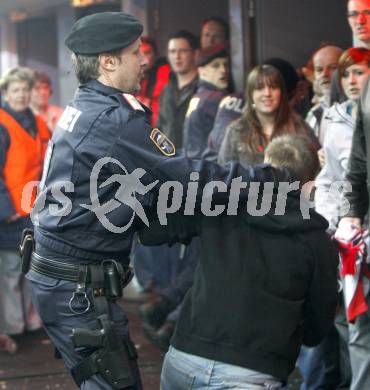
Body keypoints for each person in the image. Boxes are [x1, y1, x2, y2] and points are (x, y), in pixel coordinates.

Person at [25, 12, 288, 390]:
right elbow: (189, 176)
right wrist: (268, 178)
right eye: (135, 53)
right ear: (108, 62)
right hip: (77, 289)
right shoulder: (115, 120)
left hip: (62, 278)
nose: (145, 60)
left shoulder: (83, 106)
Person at [139, 134, 338, 390]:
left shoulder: (224, 205)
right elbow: (318, 325)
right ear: (311, 182)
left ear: (265, 165)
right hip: (253, 372)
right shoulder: (316, 241)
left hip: (184, 359)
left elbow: (156, 230)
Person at [0, 67, 49, 340]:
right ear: (6, 93)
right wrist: (4, 210)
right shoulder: (1, 123)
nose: (21, 95)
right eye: (15, 90)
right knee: (11, 273)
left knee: (33, 268)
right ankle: (13, 328)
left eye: (25, 89)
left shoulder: (38, 122)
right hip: (10, 213)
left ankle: (32, 324)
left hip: (35, 209)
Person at [218, 64, 319, 167]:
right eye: (260, 88)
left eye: (273, 87)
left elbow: (316, 170)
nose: (267, 93)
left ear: (281, 93)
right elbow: (224, 174)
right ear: (251, 95)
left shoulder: (300, 126)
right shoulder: (237, 130)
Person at [183, 43, 230, 159]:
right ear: (201, 71)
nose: (223, 70)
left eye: (225, 64)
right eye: (216, 66)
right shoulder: (215, 99)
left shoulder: (198, 96)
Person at [156, 30, 198, 148]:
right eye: (172, 51)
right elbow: (160, 129)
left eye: (183, 51)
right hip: (169, 160)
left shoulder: (203, 89)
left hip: (196, 161)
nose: (177, 57)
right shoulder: (167, 90)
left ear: (194, 54)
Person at [305, 44, 343, 144]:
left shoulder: (357, 110)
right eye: (319, 70)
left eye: (332, 68)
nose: (324, 74)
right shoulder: (314, 112)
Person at [135, 36, 170, 126]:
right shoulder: (133, 75)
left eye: (147, 53)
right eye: (140, 54)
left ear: (156, 54)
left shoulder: (165, 73)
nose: (143, 59)